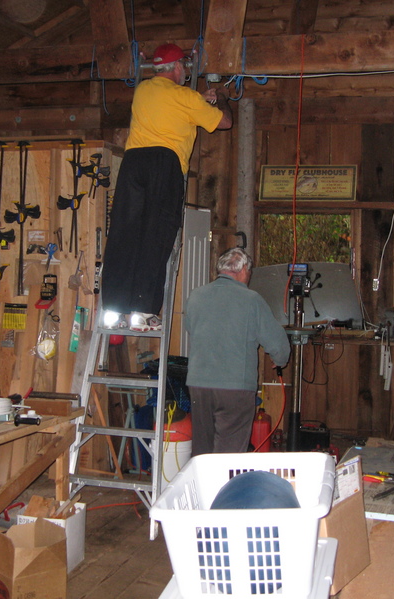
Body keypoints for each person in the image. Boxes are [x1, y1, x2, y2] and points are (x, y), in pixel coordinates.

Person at [101, 43, 233, 332]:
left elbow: (171, 105)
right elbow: (224, 123)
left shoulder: (143, 90)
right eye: (183, 66)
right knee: (156, 235)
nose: (185, 71)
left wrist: (198, 100)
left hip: (133, 163)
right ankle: (144, 311)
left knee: (124, 234)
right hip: (164, 163)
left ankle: (114, 308)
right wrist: (220, 98)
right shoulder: (185, 97)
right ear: (177, 67)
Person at [185, 247, 291, 456]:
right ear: (243, 270)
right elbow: (277, 343)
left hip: (199, 386)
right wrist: (280, 359)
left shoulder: (196, 296)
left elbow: (191, 328)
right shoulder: (251, 300)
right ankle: (224, 479)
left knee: (202, 451)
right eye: (249, 272)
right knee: (229, 454)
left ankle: (202, 478)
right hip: (235, 388)